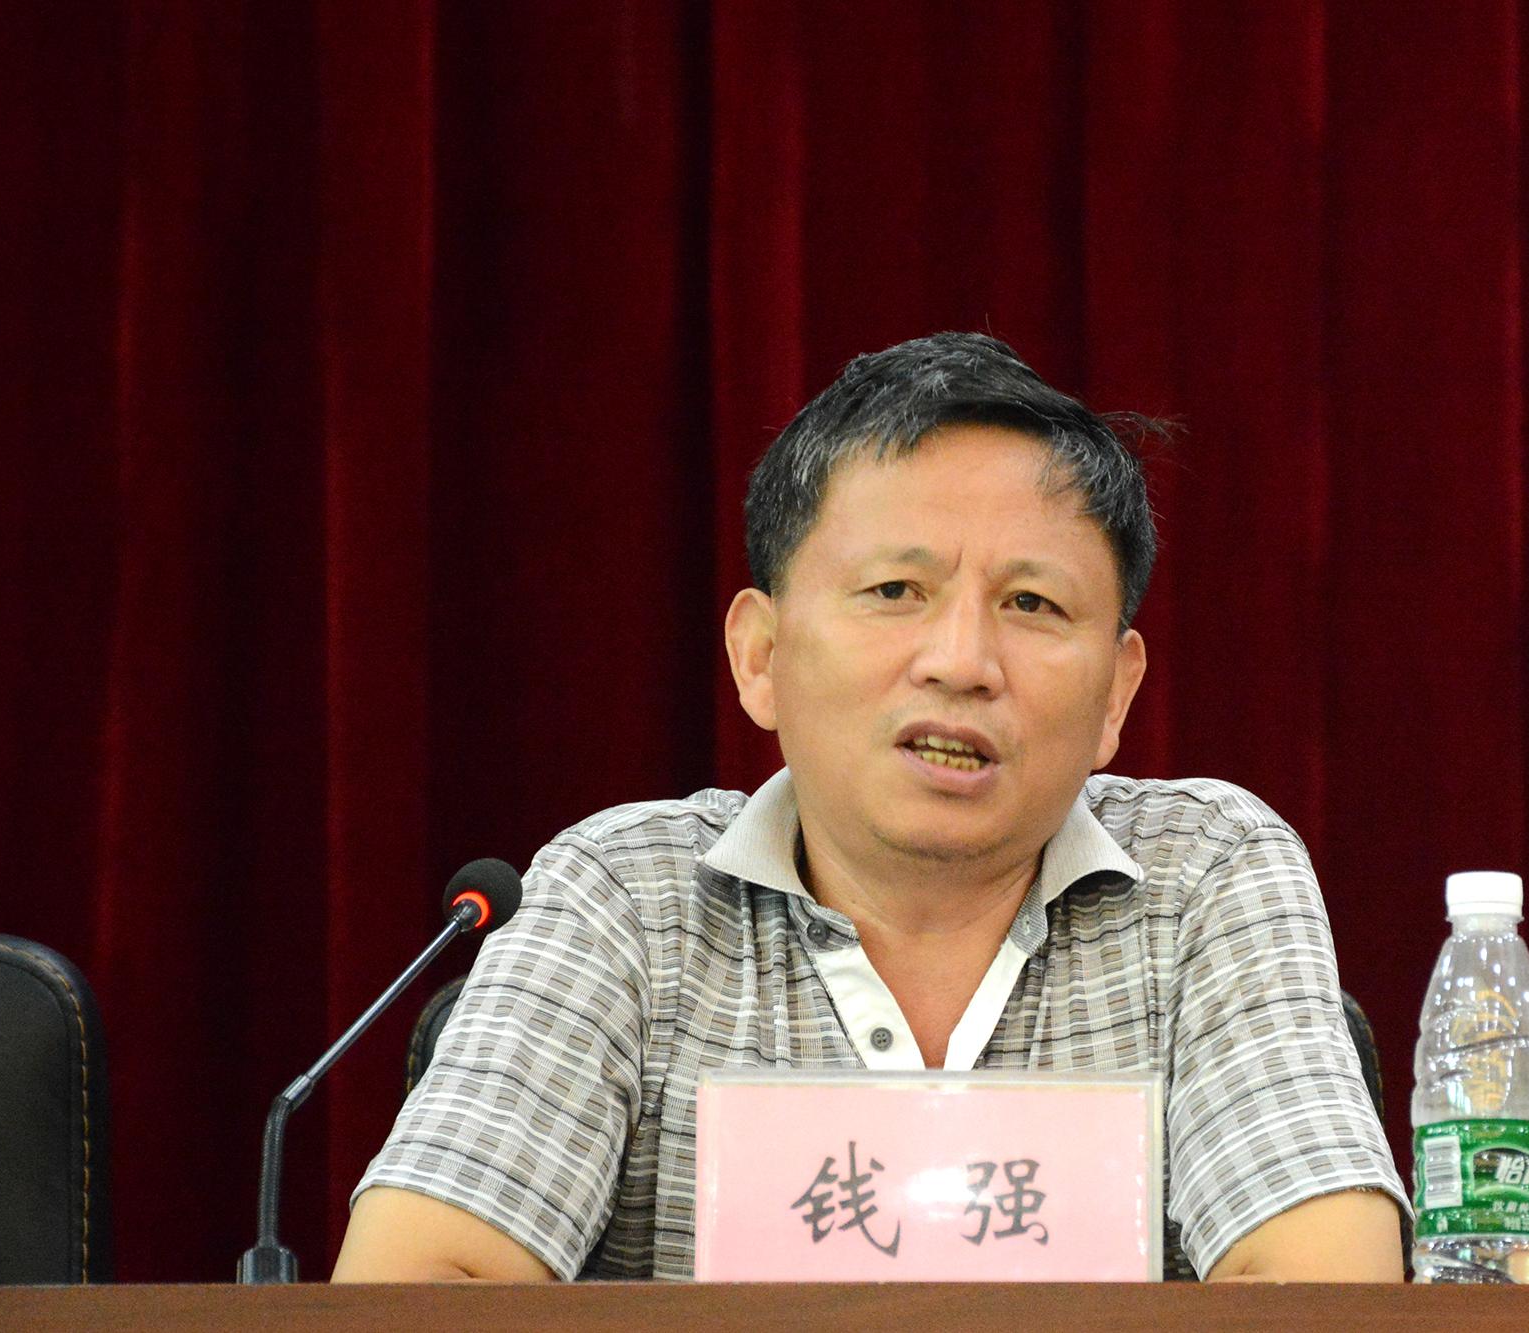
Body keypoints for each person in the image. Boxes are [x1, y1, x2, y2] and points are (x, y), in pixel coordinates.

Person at [333, 333, 1406, 1283]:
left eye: (1032, 603)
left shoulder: (1207, 876)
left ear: (1117, 694)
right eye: (896, 591)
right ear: (760, 655)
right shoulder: (625, 896)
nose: (962, 660)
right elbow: (420, 1283)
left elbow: (1318, 1290)